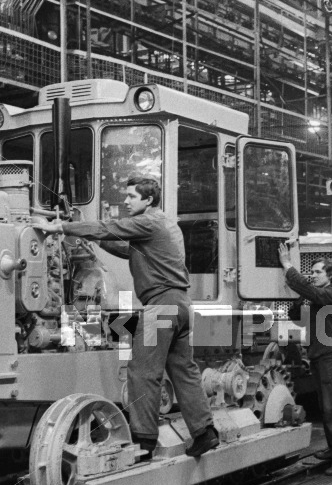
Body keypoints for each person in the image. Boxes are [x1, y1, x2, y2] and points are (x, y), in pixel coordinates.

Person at [34, 176, 219, 459]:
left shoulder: (150, 222)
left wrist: (62, 226)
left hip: (161, 307)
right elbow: (126, 248)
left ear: (148, 200)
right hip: (180, 305)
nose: (127, 200)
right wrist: (91, 237)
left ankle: (143, 440)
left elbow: (111, 228)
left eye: (132, 196)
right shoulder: (164, 225)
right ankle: (205, 432)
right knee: (184, 371)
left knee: (143, 371)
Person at [277, 243, 332, 476]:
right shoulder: (317, 297)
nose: (314, 275)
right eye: (313, 271)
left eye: (318, 272)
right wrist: (302, 295)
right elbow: (295, 314)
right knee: (325, 408)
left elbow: (316, 294)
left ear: (330, 275)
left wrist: (288, 266)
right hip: (320, 357)